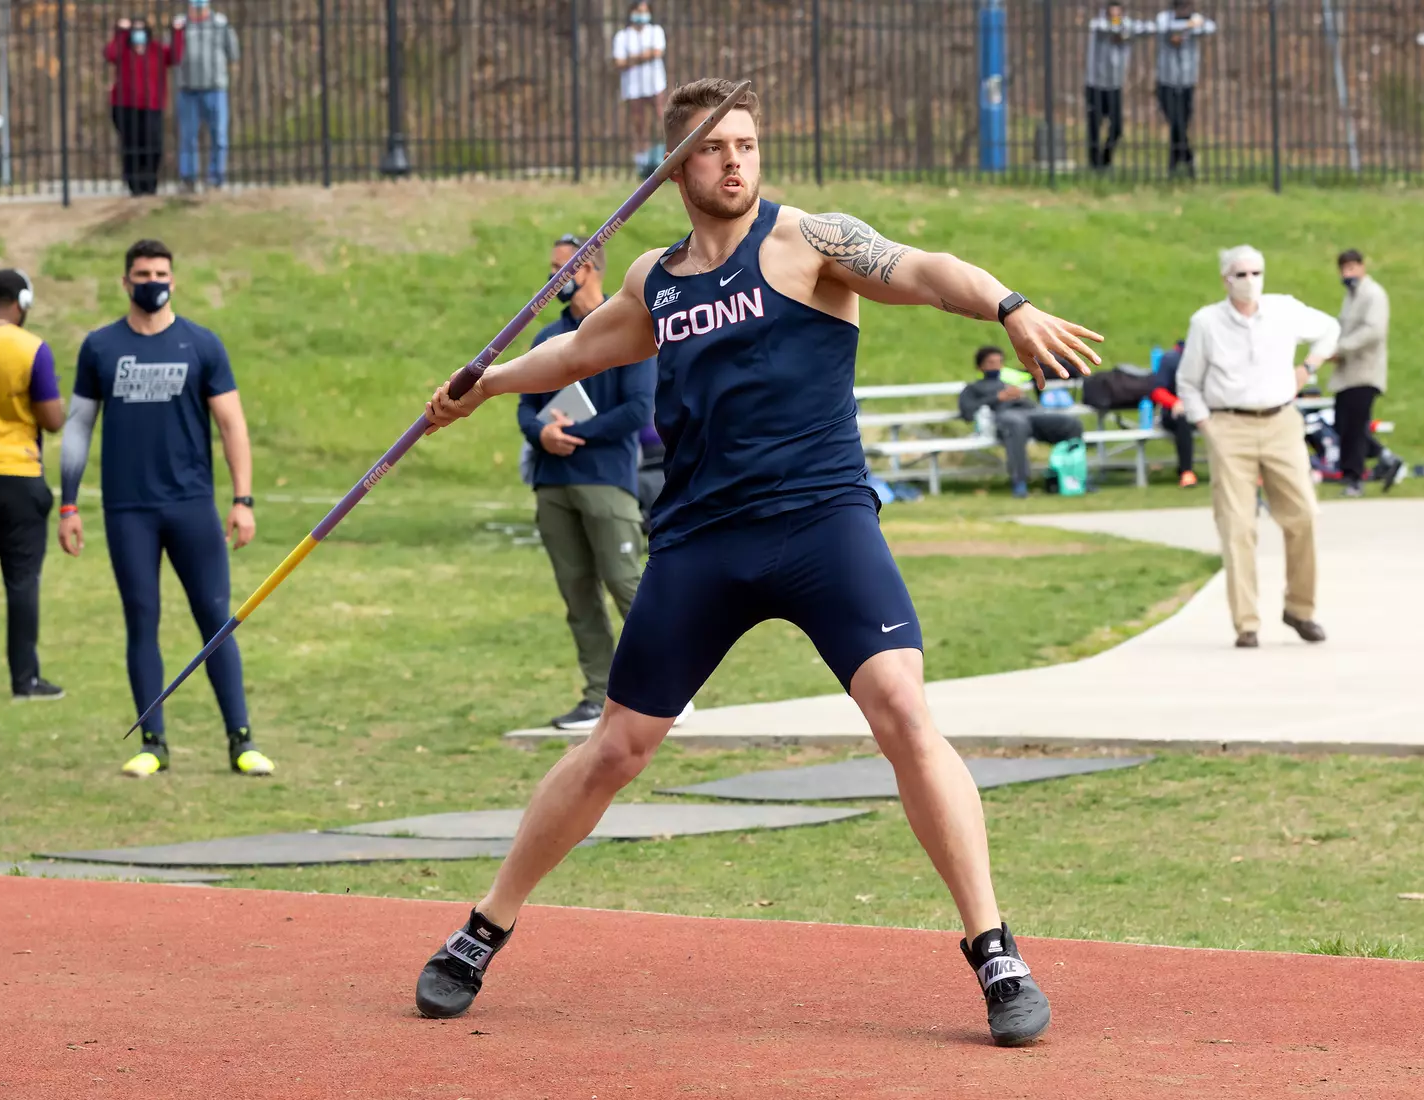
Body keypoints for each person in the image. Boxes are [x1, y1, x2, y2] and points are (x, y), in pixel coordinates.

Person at [413, 77, 1103, 1048]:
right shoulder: (656, 280)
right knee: (617, 745)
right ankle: (483, 927)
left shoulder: (811, 242)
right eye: (712, 148)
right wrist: (483, 385)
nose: (735, 160)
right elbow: (576, 352)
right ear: (674, 168)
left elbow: (926, 267)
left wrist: (1010, 306)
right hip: (701, 539)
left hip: (823, 523)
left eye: (746, 143)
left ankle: (994, 948)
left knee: (903, 706)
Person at [60, 239, 271, 779]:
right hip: (129, 509)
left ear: (173, 280)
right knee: (141, 621)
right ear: (125, 282)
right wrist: (68, 504)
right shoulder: (100, 347)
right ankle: (152, 743)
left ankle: (241, 740)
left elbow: (232, 425)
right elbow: (79, 427)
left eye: (160, 272)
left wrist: (242, 500)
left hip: (191, 506)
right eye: (141, 272)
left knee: (215, 621)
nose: (152, 280)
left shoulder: (200, 344)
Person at [519, 234, 663, 732]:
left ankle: (671, 690)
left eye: (562, 269)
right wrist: (542, 432)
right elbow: (523, 403)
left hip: (607, 480)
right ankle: (598, 695)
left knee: (627, 584)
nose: (553, 279)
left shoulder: (630, 333)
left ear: (590, 270)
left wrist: (574, 433)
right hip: (552, 482)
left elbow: (637, 411)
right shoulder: (546, 338)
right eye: (551, 268)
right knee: (577, 594)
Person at [1177, 245, 1338, 649]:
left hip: (1281, 420)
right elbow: (1188, 382)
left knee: (1303, 515)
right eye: (1240, 274)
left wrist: (1310, 367)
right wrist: (1207, 426)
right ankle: (1246, 622)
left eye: (1256, 273)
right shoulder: (1207, 323)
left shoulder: (1283, 310)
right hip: (1229, 423)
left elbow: (1330, 328)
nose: (1249, 281)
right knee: (1237, 526)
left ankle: (1300, 609)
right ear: (1225, 280)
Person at [0, 268, 65, 701]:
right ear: (22, 303)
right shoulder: (32, 348)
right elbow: (53, 419)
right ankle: (25, 680)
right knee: (21, 581)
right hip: (16, 475)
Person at [1322, 249, 1400, 498]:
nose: (1348, 274)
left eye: (1352, 268)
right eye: (1344, 269)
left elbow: (1373, 331)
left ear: (1362, 267)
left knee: (1354, 426)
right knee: (1342, 424)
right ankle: (1385, 458)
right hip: (1346, 374)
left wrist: (1341, 349)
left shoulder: (1373, 295)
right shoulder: (1351, 296)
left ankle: (1355, 478)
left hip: (1365, 371)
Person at [958, 346, 1082, 498]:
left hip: (1028, 414)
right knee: (1016, 425)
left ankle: (1073, 476)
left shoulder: (1008, 383)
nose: (996, 366)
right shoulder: (973, 388)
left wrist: (1020, 397)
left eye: (999, 362)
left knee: (1070, 424)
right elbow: (966, 411)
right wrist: (998, 398)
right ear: (980, 366)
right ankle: (1020, 482)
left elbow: (1032, 406)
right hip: (1003, 418)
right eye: (991, 363)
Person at [105, 16, 184, 197]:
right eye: (134, 31)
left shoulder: (156, 49)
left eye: (142, 31)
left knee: (153, 145)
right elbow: (110, 54)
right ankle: (134, 185)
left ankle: (150, 182)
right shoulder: (123, 50)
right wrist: (120, 33)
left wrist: (177, 32)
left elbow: (175, 56)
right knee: (131, 146)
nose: (138, 35)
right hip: (125, 106)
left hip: (152, 106)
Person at [177, 0, 240, 192]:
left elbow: (233, 55)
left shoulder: (221, 24)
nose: (197, 9)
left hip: (215, 88)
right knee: (188, 136)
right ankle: (188, 178)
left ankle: (216, 177)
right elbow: (171, 53)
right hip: (188, 90)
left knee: (219, 135)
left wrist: (228, 80)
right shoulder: (180, 25)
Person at [1085, 4, 1151, 171]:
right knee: (1094, 127)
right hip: (1095, 85)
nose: (1115, 13)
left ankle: (1105, 160)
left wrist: (1125, 33)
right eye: (1112, 10)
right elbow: (1105, 28)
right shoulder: (1098, 24)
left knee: (1117, 128)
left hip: (1115, 86)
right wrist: (1122, 31)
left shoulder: (1126, 25)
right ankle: (1094, 165)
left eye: (1118, 10)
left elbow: (1148, 28)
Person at [1153, 4, 1214, 179]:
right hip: (1166, 81)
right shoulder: (1165, 18)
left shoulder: (1195, 19)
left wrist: (1192, 24)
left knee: (1179, 126)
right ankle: (1188, 158)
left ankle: (1173, 166)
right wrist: (1188, 26)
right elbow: (1163, 27)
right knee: (1176, 122)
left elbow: (1210, 27)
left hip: (1187, 81)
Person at [613, 2, 668, 177]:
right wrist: (646, 55)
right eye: (639, 11)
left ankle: (667, 155)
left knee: (663, 118)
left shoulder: (655, 31)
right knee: (639, 123)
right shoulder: (622, 36)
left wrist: (633, 58)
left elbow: (657, 52)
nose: (642, 15)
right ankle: (642, 161)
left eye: (645, 11)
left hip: (655, 83)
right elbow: (619, 62)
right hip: (633, 86)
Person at [1149, 340, 1198, 488]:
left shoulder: (1205, 359)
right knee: (1183, 419)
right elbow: (1157, 392)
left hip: (1199, 411)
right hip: (1172, 414)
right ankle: (1186, 472)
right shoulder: (1171, 360)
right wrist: (1175, 402)